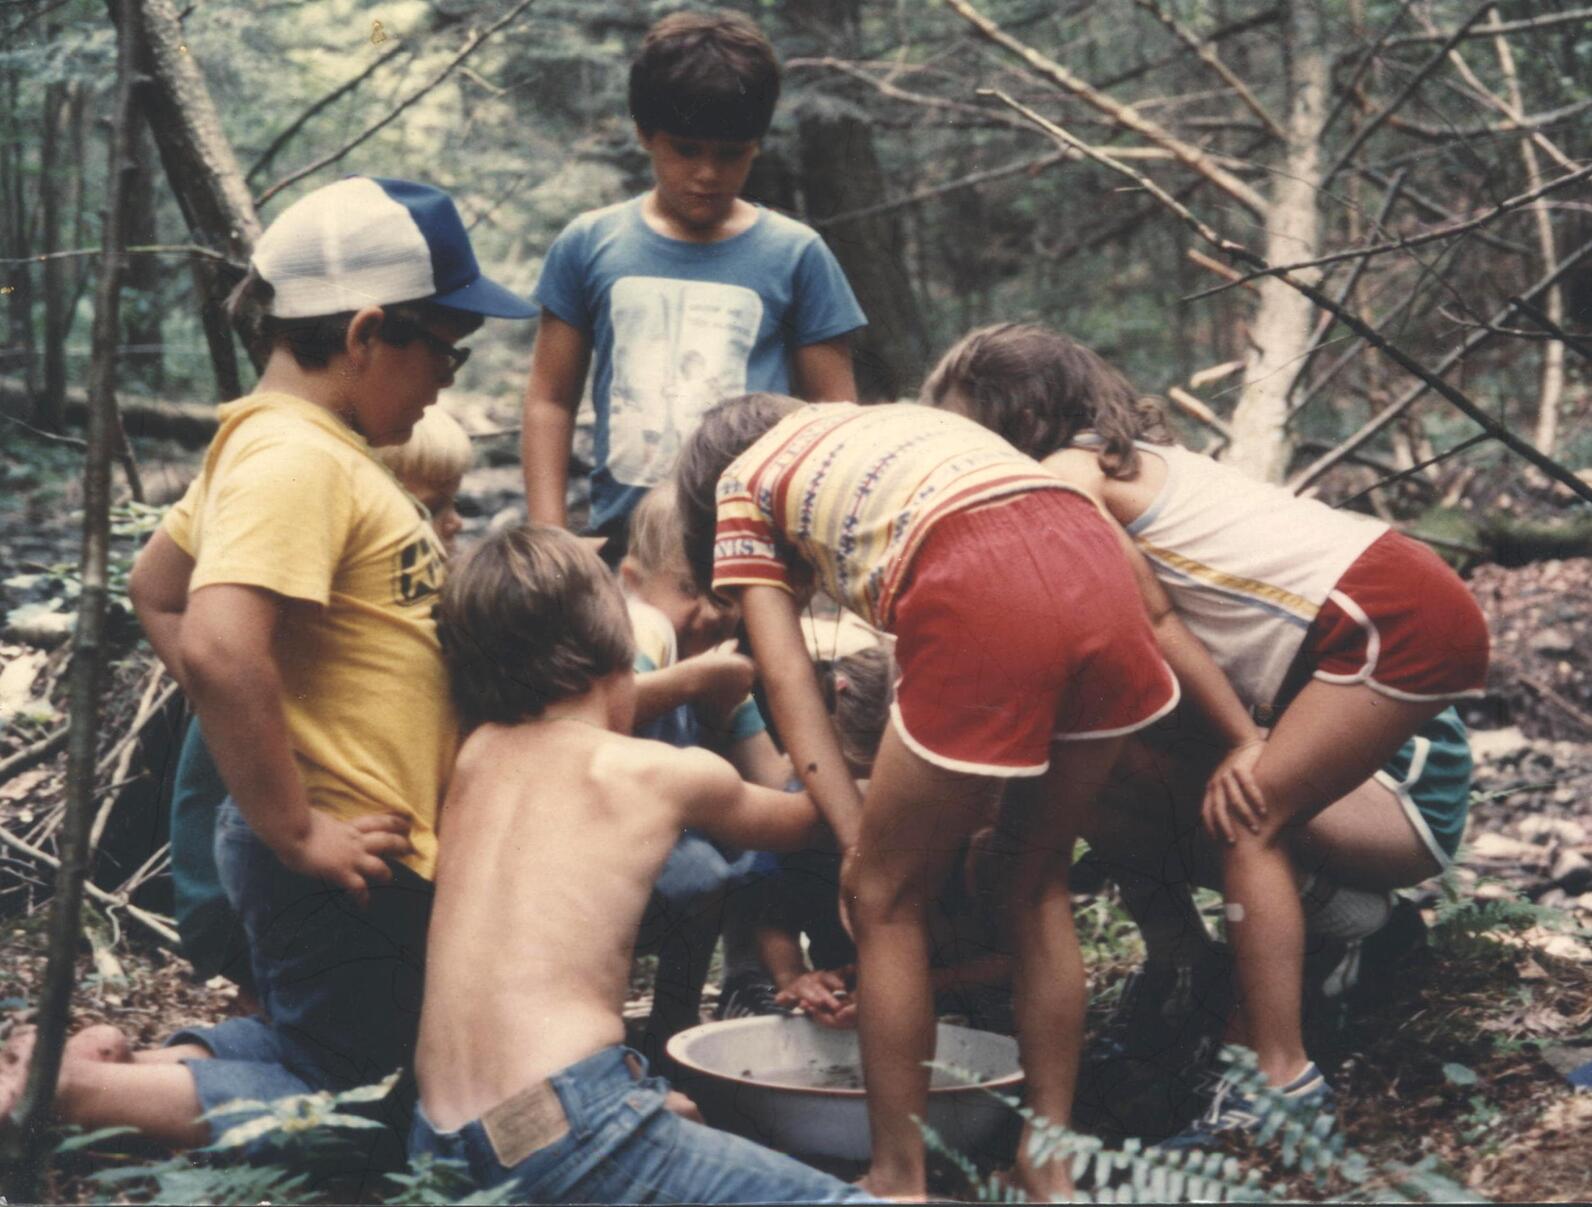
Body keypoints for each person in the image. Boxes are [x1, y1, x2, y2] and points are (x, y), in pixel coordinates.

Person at [0, 177, 533, 1163]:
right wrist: (295, 827)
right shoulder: (296, 461)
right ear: (369, 332)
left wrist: (278, 727)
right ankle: (68, 1094)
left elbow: (155, 587)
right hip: (338, 853)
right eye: (445, 352)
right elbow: (211, 638)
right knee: (364, 1105)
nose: (445, 384)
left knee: (338, 1045)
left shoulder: (281, 448)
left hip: (344, 838)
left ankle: (149, 1064)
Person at [921, 322, 1488, 1145]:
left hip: (1390, 633)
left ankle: (1279, 1082)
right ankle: (1215, 966)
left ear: (1019, 419)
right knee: (1104, 759)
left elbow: (1152, 611)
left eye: (968, 436)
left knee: (1250, 809)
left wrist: (1240, 742)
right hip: (1378, 621)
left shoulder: (1067, 477)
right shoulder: (1121, 462)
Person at [674, 393, 1182, 1200]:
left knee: (884, 898)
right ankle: (1047, 1167)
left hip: (982, 579)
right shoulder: (890, 423)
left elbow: (787, 674)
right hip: (1096, 570)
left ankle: (896, 1178)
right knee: (1035, 878)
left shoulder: (742, 482)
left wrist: (853, 844)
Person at [411, 522, 868, 1203]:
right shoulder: (655, 773)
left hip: (439, 1145)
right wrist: (796, 691)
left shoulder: (474, 753)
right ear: (620, 655)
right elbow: (806, 818)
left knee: (676, 1118)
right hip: (568, 1126)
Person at [521, 9, 865, 563]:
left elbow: (835, 415)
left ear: (756, 143)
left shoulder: (796, 254)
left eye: (731, 154)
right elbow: (550, 398)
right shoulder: (588, 244)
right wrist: (552, 538)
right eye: (686, 149)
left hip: (754, 545)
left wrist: (817, 546)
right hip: (622, 543)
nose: (708, 174)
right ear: (645, 134)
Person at [165, 406, 477, 1013]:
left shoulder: (373, 622)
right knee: (309, 1049)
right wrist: (298, 827)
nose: (454, 522)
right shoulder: (278, 655)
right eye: (432, 507)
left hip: (327, 870)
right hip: (268, 879)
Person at [758, 645, 1014, 1035]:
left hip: (966, 1006)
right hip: (853, 995)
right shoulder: (803, 812)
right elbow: (770, 912)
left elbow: (1018, 957)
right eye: (853, 793)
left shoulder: (974, 819)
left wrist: (901, 989)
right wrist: (796, 977)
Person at [618, 484, 791, 1057]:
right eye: (689, 589)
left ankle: (675, 1023)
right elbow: (610, 709)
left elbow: (775, 784)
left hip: (663, 862)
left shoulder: (716, 673)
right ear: (631, 583)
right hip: (597, 851)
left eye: (725, 596)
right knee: (702, 871)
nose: (710, 614)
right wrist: (693, 683)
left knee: (733, 863)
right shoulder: (643, 627)